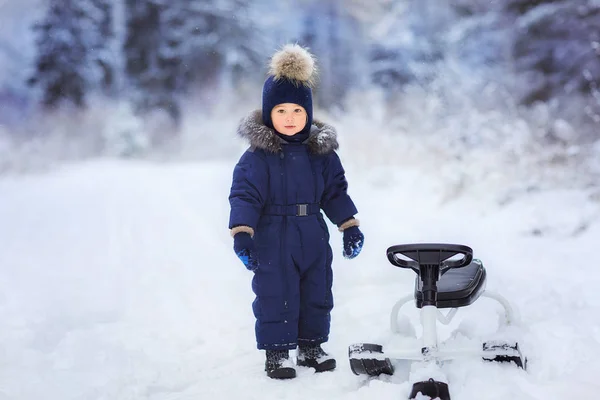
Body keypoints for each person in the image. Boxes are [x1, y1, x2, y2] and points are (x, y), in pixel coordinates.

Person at [228, 44, 364, 379]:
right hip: (273, 234)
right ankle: (277, 354)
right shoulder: (258, 158)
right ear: (268, 114)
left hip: (312, 233)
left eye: (297, 112)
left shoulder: (322, 154)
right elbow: (244, 195)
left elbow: (335, 192)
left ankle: (311, 348)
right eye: (281, 111)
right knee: (276, 293)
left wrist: (349, 225)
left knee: (316, 290)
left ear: (308, 113)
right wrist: (242, 233)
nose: (290, 119)